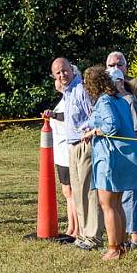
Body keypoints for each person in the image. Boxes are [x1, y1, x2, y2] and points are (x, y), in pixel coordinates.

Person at [83, 66, 137, 261]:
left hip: (110, 157)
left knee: (108, 205)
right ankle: (121, 245)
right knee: (117, 203)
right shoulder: (120, 99)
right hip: (120, 156)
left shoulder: (104, 101)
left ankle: (113, 248)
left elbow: (111, 126)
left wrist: (94, 131)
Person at [44, 58, 102, 250]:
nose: (62, 75)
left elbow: (94, 115)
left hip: (85, 144)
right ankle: (83, 234)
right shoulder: (67, 94)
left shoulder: (81, 89)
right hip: (71, 146)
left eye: (65, 71)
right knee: (77, 192)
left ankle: (93, 236)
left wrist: (88, 131)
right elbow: (69, 118)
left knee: (88, 191)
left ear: (72, 69)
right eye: (58, 73)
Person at [110, 68, 137, 251]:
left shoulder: (130, 101)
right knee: (122, 196)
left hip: (132, 154)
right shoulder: (115, 102)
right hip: (119, 154)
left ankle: (136, 240)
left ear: (119, 82)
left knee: (131, 196)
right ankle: (124, 236)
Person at [50, 69, 79, 241]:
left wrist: (53, 115)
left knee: (73, 192)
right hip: (60, 153)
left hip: (69, 151)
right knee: (67, 192)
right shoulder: (62, 100)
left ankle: (77, 229)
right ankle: (71, 226)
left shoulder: (72, 98)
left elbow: (68, 118)